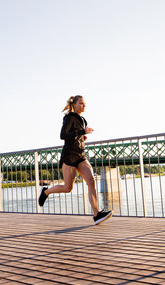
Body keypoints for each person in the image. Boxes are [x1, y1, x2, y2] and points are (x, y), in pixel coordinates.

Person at [38, 95, 113, 225]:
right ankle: (46, 191)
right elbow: (63, 135)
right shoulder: (69, 117)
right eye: (82, 103)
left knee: (91, 181)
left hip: (80, 155)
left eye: (85, 104)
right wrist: (81, 132)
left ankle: (97, 215)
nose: (84, 106)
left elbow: (77, 134)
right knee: (68, 188)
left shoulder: (83, 119)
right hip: (69, 156)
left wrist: (82, 137)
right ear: (74, 104)